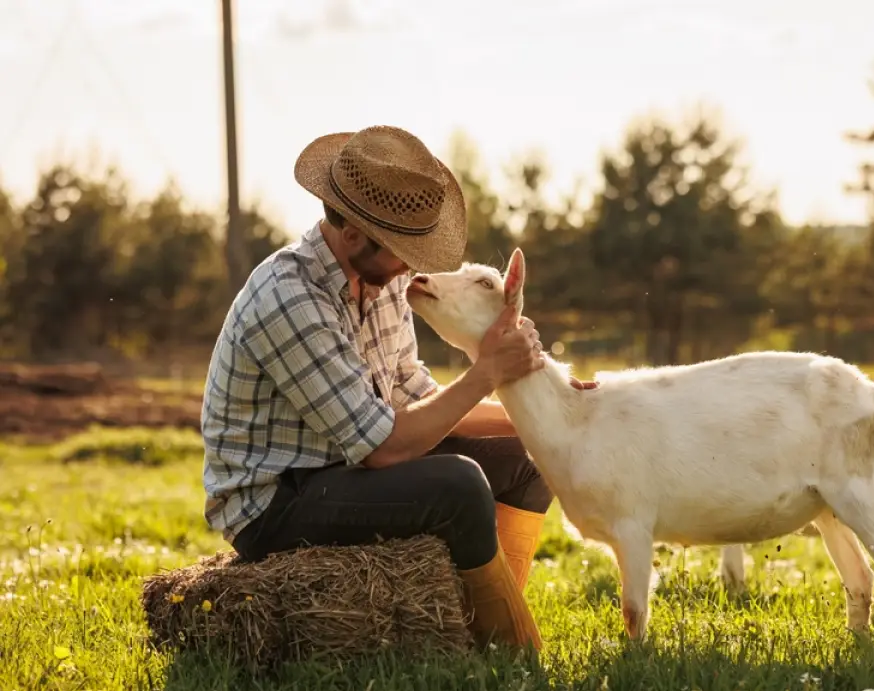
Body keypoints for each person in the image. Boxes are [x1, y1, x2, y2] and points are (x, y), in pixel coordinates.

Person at [199, 125, 595, 654]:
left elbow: (415, 398)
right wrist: (486, 374)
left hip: (349, 464)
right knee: (459, 485)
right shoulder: (290, 298)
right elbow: (384, 446)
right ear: (355, 235)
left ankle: (476, 625)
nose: (414, 264)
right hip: (279, 499)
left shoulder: (383, 283)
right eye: (404, 249)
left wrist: (556, 408)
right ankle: (514, 650)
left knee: (526, 458)